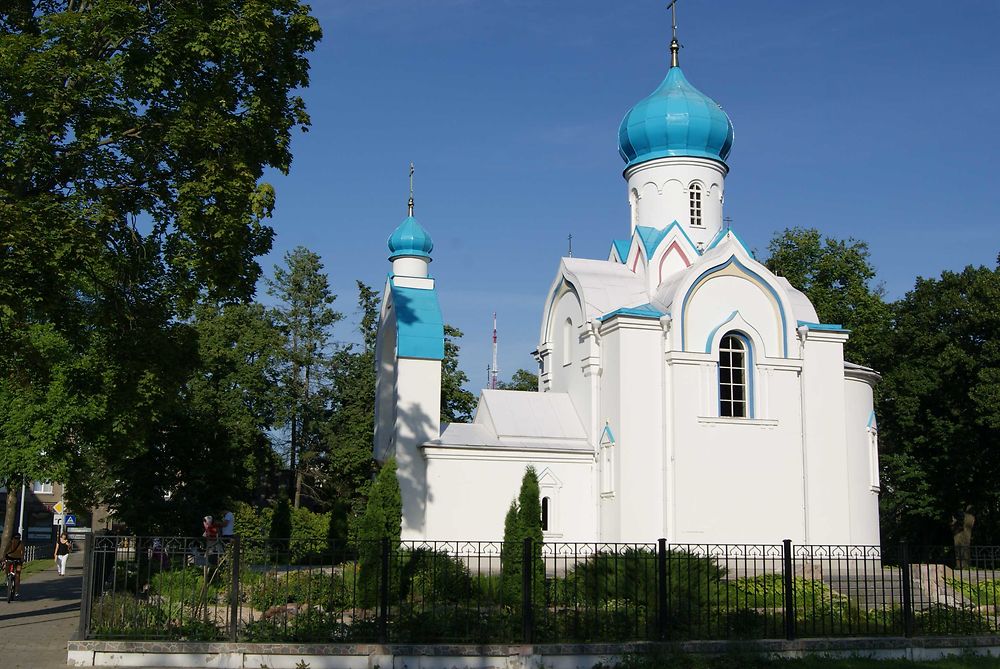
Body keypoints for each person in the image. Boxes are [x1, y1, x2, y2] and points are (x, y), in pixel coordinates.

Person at [4, 532, 25, 598]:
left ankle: (16, 591)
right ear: (13, 538)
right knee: (7, 566)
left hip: (18, 558)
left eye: (18, 538)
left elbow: (22, 552)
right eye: (16, 538)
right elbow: (6, 551)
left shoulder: (21, 543)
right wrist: (4, 557)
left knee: (18, 574)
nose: (17, 540)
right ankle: (7, 577)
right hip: (10, 557)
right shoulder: (10, 543)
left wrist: (22, 558)